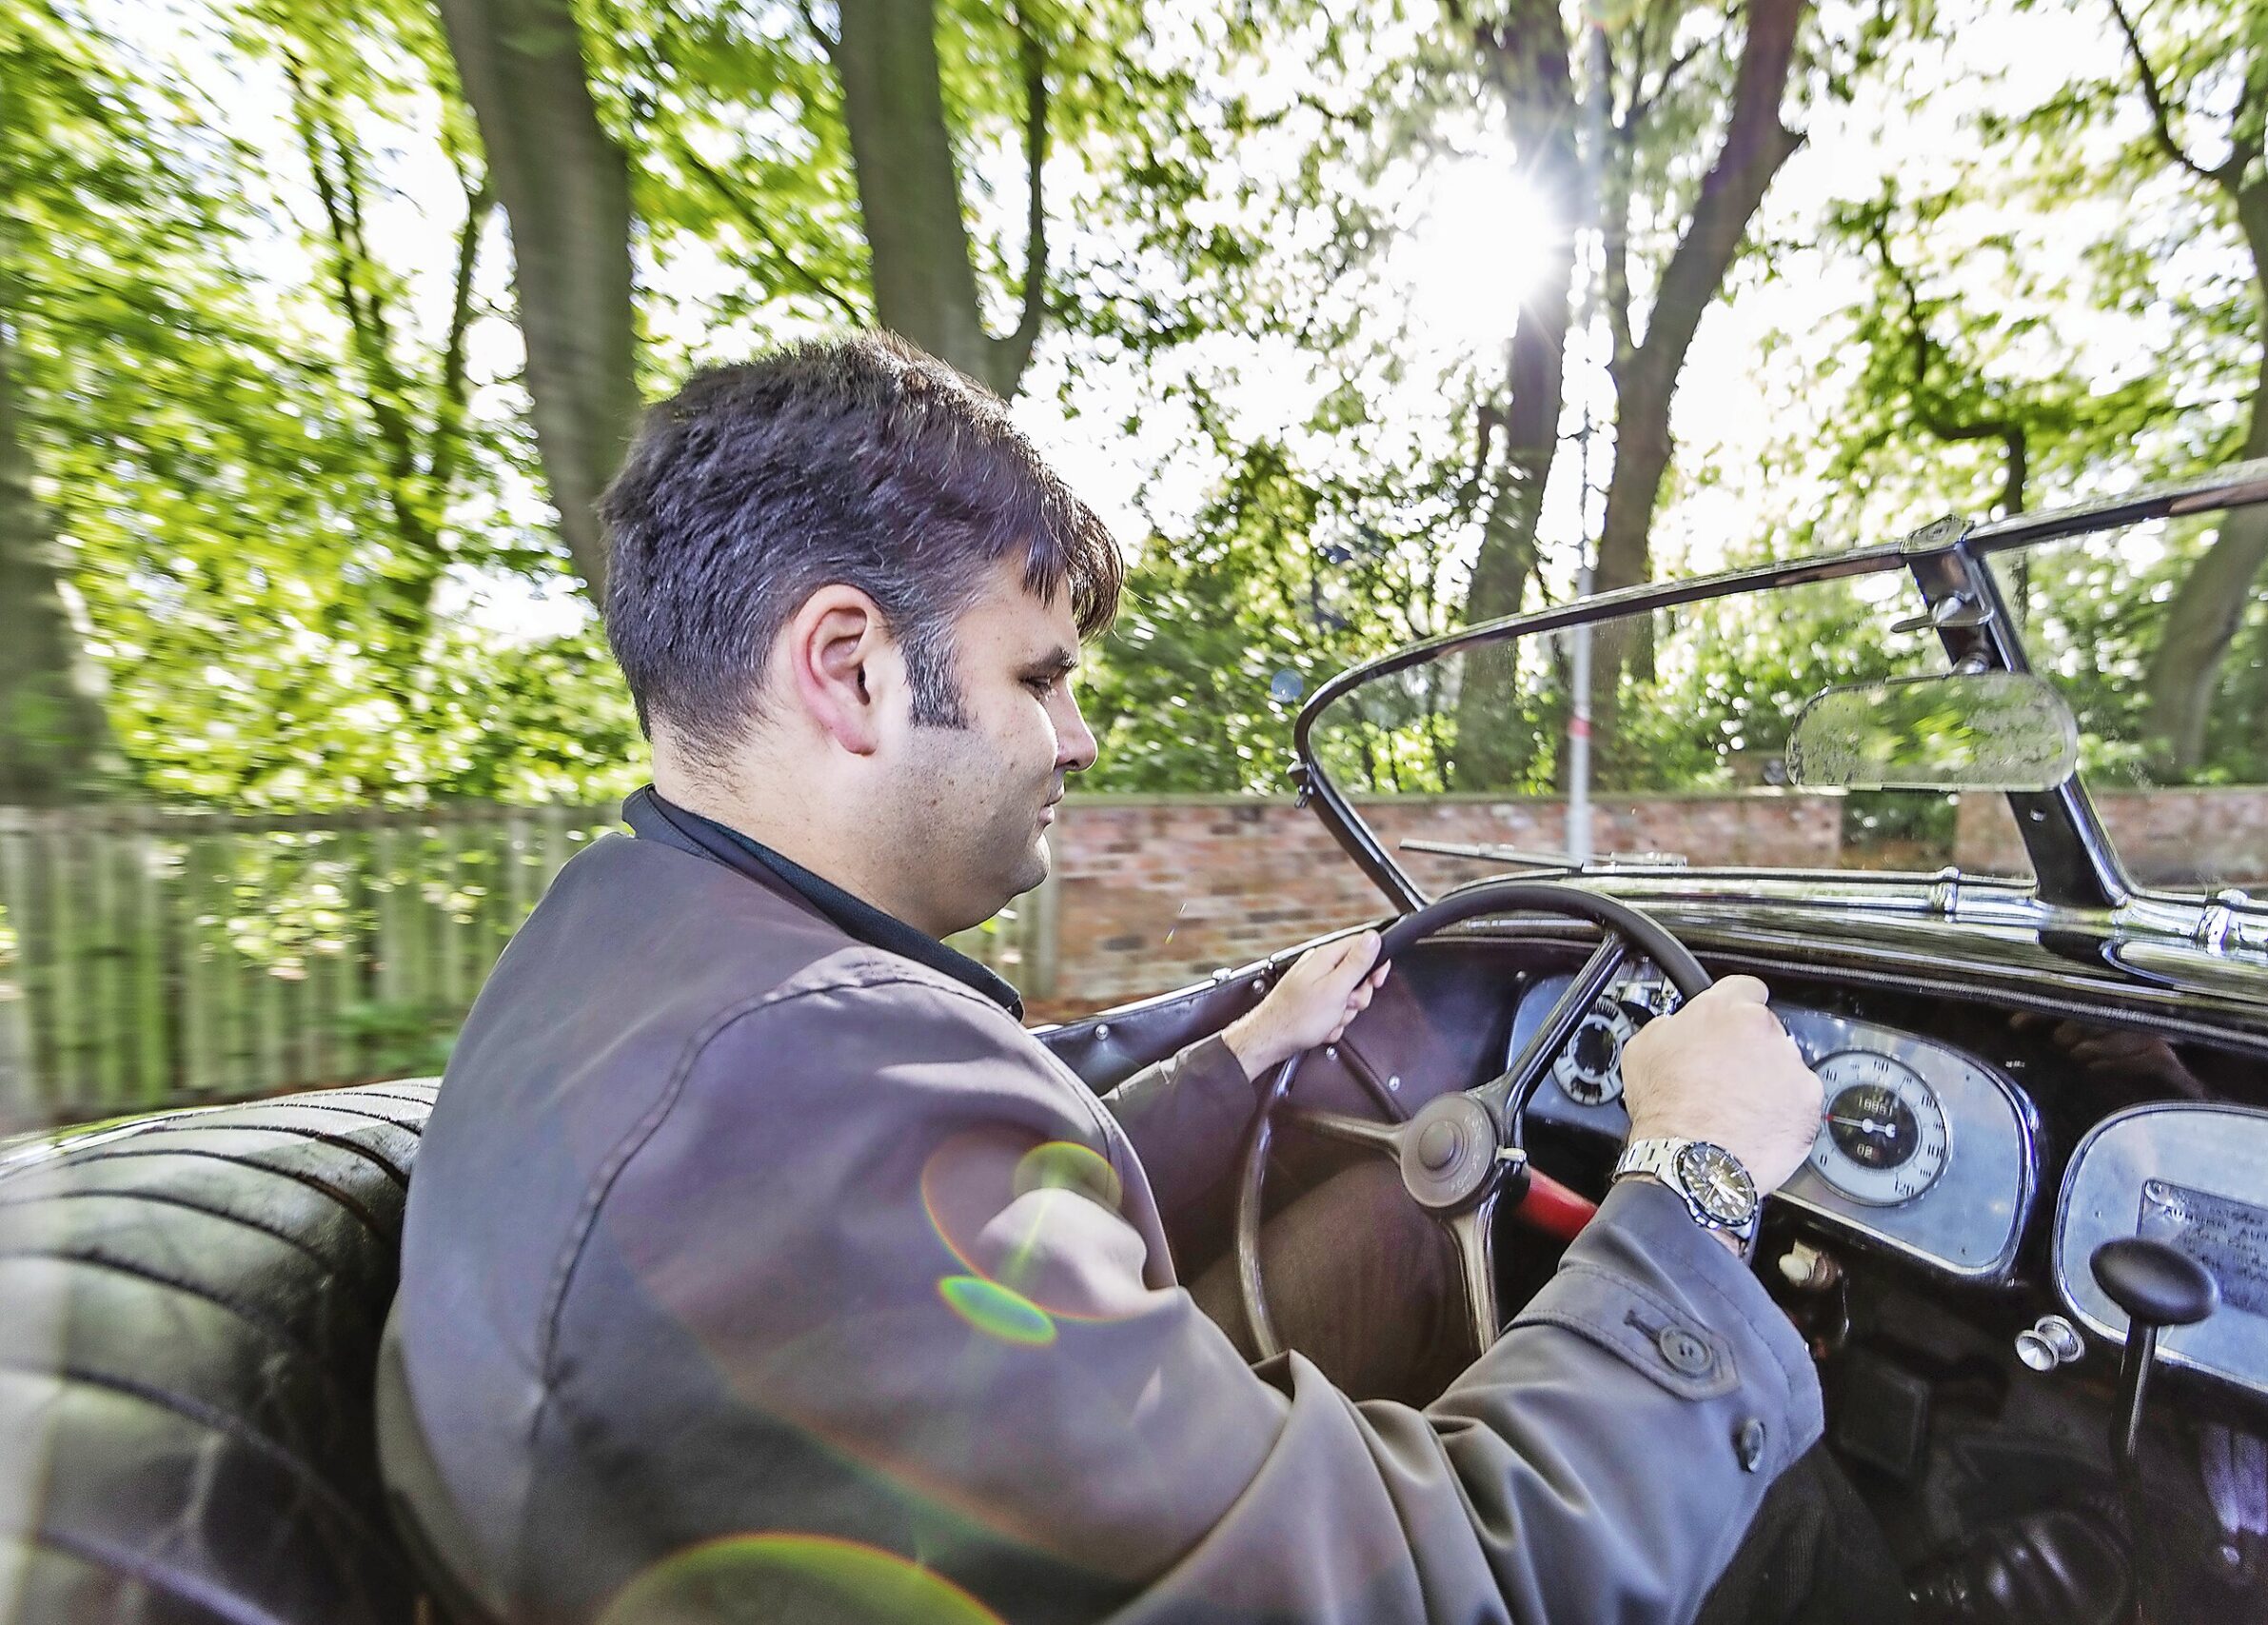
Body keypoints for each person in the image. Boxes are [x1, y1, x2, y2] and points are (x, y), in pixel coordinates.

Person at [376, 333, 1899, 1624]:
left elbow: (1004, 1206)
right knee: (1782, 1522)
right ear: (847, 668)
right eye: (1039, 676)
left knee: (1396, 1219)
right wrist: (1694, 1187)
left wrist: (1248, 1054)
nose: (1080, 737)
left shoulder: (647, 943)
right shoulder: (796, 1093)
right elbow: (1436, 1591)